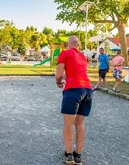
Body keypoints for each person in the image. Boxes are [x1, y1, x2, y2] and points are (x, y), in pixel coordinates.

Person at [55, 35, 92, 165]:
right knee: (80, 124)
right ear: (78, 45)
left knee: (68, 123)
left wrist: (58, 82)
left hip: (73, 90)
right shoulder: (83, 56)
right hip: (87, 90)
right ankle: (78, 156)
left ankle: (69, 155)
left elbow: (59, 73)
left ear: (67, 44)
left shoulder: (64, 53)